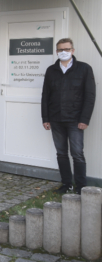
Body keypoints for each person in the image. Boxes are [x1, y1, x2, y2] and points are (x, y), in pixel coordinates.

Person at [41, 38, 96, 195]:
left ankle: (80, 187)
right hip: (56, 118)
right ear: (56, 51)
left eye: (66, 49)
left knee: (77, 154)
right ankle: (66, 184)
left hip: (75, 120)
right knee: (61, 153)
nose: (63, 52)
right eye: (60, 50)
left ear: (72, 50)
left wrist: (84, 119)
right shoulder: (51, 70)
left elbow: (90, 96)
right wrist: (45, 118)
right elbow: (45, 95)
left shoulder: (84, 69)